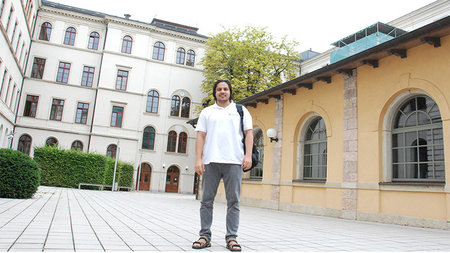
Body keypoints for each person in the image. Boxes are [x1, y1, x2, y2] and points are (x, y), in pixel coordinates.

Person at [192, 79, 253, 252]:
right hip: (211, 162)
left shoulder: (241, 111)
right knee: (206, 200)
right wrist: (198, 159)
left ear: (230, 92)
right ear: (215, 92)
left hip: (234, 162)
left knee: (233, 201)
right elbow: (200, 136)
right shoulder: (207, 112)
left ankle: (232, 238)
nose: (222, 91)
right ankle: (204, 236)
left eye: (225, 89)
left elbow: (249, 134)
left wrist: (248, 155)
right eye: (219, 89)